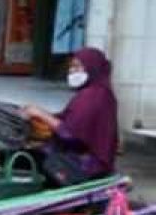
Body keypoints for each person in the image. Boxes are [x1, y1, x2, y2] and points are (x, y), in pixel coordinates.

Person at [23, 48, 118, 186]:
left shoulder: (93, 96)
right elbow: (69, 119)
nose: (71, 71)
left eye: (77, 66)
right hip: (88, 161)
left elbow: (70, 133)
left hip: (86, 166)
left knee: (27, 160)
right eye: (71, 67)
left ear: (92, 68)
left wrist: (40, 113)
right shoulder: (99, 92)